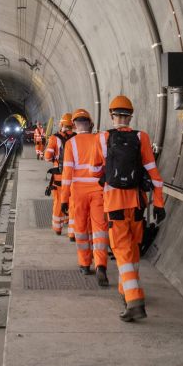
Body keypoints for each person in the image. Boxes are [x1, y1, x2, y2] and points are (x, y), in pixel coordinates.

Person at [100, 95, 166, 322]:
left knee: (121, 252)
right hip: (138, 204)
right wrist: (159, 203)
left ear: (112, 115)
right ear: (130, 116)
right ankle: (125, 291)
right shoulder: (142, 137)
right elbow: (155, 175)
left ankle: (135, 300)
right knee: (133, 251)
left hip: (115, 204)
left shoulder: (105, 137)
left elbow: (96, 170)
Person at [61, 108, 110, 287]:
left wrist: (64, 198)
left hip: (78, 193)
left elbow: (67, 174)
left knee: (80, 228)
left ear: (74, 126)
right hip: (99, 191)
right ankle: (101, 265)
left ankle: (84, 264)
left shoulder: (71, 144)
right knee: (100, 229)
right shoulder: (100, 139)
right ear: (91, 124)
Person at [43, 114, 74, 236]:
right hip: (73, 177)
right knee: (72, 202)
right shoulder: (76, 138)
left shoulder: (54, 139)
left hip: (59, 177)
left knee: (59, 201)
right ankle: (72, 231)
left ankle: (57, 228)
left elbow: (47, 157)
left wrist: (55, 160)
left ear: (61, 125)